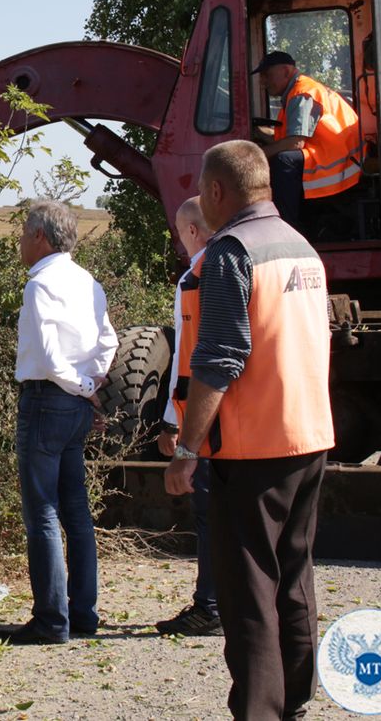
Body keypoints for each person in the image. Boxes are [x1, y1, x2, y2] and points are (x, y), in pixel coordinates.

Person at [165, 140, 335, 720]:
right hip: (309, 435)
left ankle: (259, 711)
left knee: (248, 594)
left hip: (253, 446)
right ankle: (294, 701)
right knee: (294, 578)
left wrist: (187, 448)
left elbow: (219, 357)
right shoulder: (301, 247)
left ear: (216, 192)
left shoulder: (230, 252)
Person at [2, 200, 118, 645]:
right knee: (76, 512)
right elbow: (107, 339)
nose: (20, 242)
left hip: (47, 400)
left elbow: (49, 358)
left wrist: (75, 384)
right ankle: (82, 612)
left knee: (43, 514)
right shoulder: (87, 281)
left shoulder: (40, 285)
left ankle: (51, 620)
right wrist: (90, 385)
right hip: (76, 404)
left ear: (40, 237)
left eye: (24, 232)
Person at [154, 197, 221, 637]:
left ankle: (210, 606)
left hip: (206, 418)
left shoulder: (195, 276)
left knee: (209, 511)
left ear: (192, 232)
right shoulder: (246, 261)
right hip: (248, 414)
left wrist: (172, 422)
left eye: (181, 234)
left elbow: (187, 356)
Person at [252, 50, 362, 228]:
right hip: (343, 156)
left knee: (284, 161)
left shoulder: (302, 94)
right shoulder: (299, 91)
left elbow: (295, 143)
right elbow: (288, 139)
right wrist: (259, 134)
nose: (263, 82)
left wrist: (256, 155)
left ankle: (286, 226)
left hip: (338, 163)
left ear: (286, 71)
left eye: (267, 75)